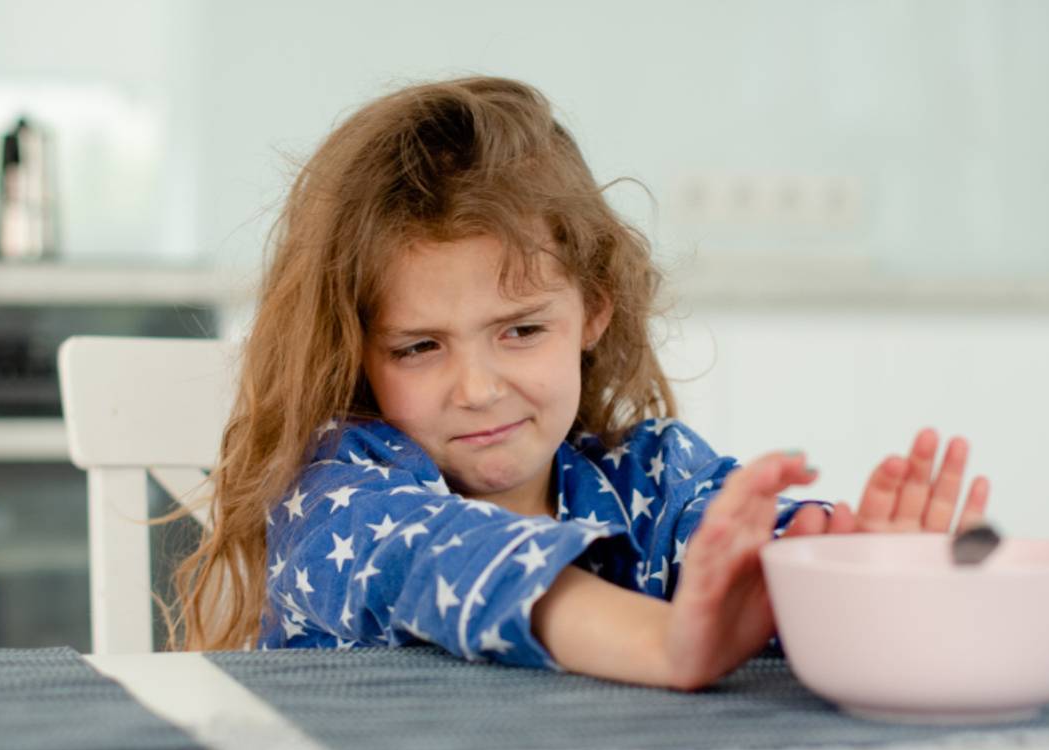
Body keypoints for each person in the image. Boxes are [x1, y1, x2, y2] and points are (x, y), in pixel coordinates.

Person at [173, 76, 989, 691]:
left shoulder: (652, 479)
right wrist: (665, 643)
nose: (477, 388)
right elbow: (440, 559)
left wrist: (849, 572)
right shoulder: (334, 497)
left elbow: (743, 574)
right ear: (354, 351)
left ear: (594, 309)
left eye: (520, 330)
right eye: (419, 347)